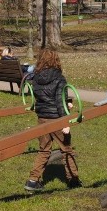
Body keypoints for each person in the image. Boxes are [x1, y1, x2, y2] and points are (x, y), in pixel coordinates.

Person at [24, 49, 81, 191]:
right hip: (57, 119)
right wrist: (66, 123)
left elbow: (42, 98)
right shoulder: (59, 78)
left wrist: (65, 103)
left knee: (44, 150)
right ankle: (73, 180)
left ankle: (32, 181)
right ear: (55, 60)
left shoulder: (35, 78)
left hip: (42, 118)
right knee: (66, 149)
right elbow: (58, 101)